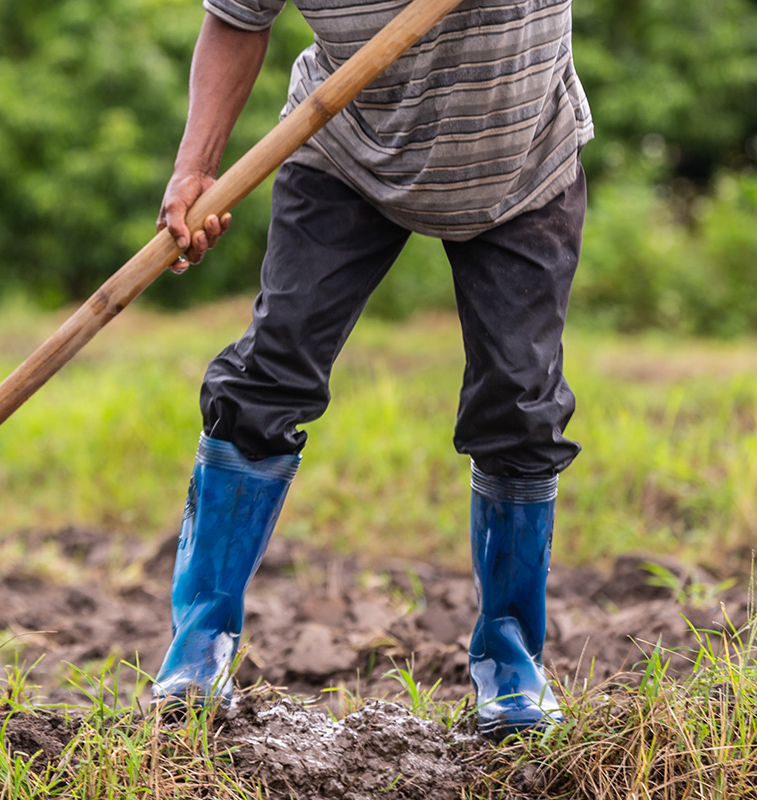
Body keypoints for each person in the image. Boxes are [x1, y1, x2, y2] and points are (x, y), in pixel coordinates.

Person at [151, 0, 592, 740]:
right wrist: (195, 168)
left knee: (519, 402)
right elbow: (236, 18)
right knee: (269, 377)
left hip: (521, 165)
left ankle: (510, 662)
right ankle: (199, 648)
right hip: (345, 153)